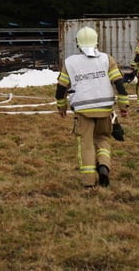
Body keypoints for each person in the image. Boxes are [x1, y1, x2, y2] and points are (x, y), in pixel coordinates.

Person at [55, 27, 129, 188]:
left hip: (83, 110)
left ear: (78, 44)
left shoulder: (70, 62)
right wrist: (123, 105)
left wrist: (61, 106)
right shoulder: (107, 59)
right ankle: (103, 166)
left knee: (86, 144)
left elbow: (61, 88)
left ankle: (88, 181)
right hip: (105, 108)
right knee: (103, 139)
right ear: (96, 42)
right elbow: (119, 83)